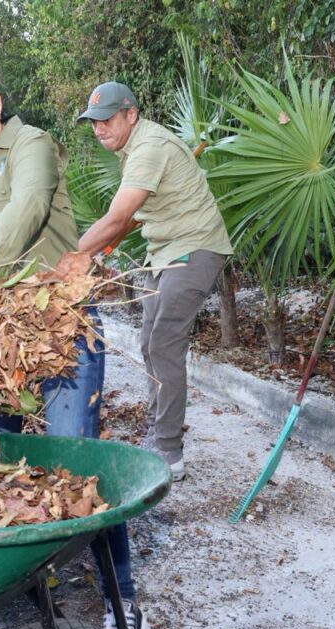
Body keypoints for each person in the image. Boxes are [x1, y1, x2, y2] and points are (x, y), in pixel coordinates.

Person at [0, 58, 150, 629]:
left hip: (61, 330)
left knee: (79, 467)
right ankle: (11, 589)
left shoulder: (33, 147)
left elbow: (22, 216)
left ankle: (123, 602)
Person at [77, 82, 234, 482]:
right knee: (148, 341)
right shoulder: (133, 149)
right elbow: (129, 216)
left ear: (131, 114)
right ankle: (157, 431)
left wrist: (75, 255)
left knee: (163, 341)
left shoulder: (149, 148)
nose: (99, 129)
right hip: (163, 252)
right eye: (93, 123)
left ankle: (168, 452)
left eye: (106, 120)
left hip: (194, 248)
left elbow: (116, 217)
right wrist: (99, 248)